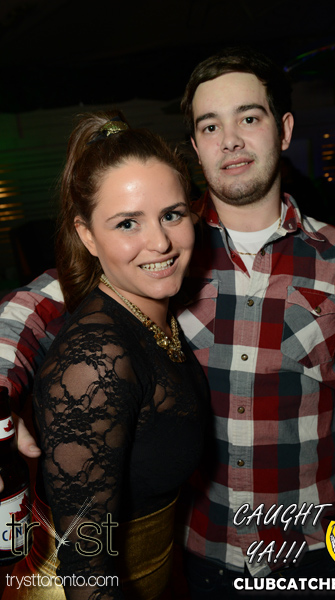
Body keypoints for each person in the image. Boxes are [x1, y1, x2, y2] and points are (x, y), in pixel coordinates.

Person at [0, 47, 335, 597]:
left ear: (284, 130)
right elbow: (33, 304)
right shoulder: (162, 253)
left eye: (248, 118)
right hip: (207, 553)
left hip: (323, 545)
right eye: (211, 126)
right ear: (194, 146)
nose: (229, 140)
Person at [2, 111, 208, 600]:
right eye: (127, 223)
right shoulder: (95, 358)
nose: (160, 242)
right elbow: (86, 567)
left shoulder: (153, 312)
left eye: (172, 214)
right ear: (88, 235)